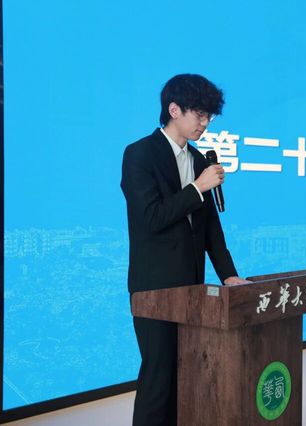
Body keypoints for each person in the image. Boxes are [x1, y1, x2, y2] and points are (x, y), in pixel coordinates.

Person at [120, 73, 249, 426]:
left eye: (209, 116)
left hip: (193, 287)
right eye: (200, 114)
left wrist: (229, 275)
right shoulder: (139, 154)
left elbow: (211, 231)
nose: (205, 124)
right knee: (159, 377)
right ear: (174, 110)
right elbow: (152, 218)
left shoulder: (198, 160)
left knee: (188, 374)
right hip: (154, 289)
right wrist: (197, 188)